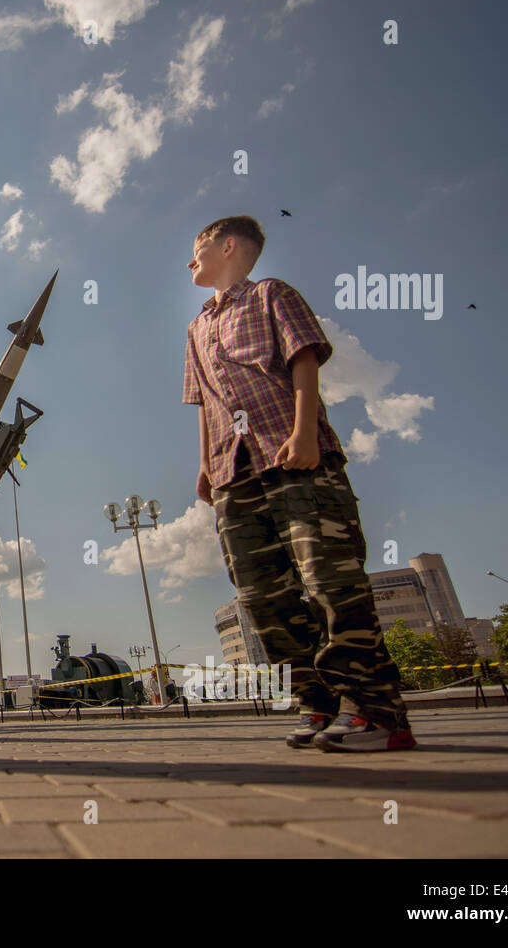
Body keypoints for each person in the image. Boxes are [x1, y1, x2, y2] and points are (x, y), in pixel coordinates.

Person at [182, 215, 415, 752]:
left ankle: (376, 713)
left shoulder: (271, 295)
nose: (190, 262)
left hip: (294, 457)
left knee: (331, 585)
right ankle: (319, 702)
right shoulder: (196, 327)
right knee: (263, 598)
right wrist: (205, 466)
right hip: (233, 473)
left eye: (198, 250)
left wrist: (305, 432)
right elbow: (202, 404)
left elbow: (304, 360)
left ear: (229, 246)